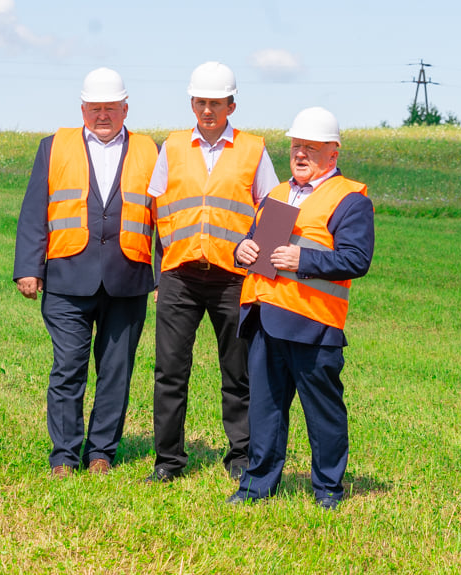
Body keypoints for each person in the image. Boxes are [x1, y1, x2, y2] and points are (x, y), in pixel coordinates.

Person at [13, 68, 159, 478]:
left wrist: (163, 276)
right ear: (82, 108)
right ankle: (63, 455)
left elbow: (165, 218)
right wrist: (29, 267)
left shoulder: (152, 150)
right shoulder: (54, 147)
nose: (102, 115)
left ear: (125, 108)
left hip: (127, 278)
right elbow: (33, 211)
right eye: (95, 108)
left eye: (110, 108)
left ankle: (101, 454)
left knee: (116, 372)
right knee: (68, 367)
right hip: (66, 278)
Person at [227, 107, 374, 509]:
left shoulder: (350, 199)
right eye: (296, 146)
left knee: (322, 410)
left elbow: (357, 259)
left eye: (311, 147)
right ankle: (256, 487)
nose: (301, 154)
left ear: (333, 153)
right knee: (264, 409)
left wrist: (303, 262)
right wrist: (242, 249)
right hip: (264, 317)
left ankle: (328, 489)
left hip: (313, 322)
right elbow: (254, 243)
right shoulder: (276, 193)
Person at [145, 62, 279, 483]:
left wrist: (260, 277)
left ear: (231, 105)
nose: (207, 110)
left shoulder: (253, 149)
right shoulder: (172, 146)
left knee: (238, 372)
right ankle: (168, 461)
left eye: (216, 103)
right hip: (180, 276)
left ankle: (241, 458)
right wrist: (156, 275)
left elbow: (274, 213)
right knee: (169, 371)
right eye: (201, 102)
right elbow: (156, 212)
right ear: (191, 103)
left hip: (233, 279)